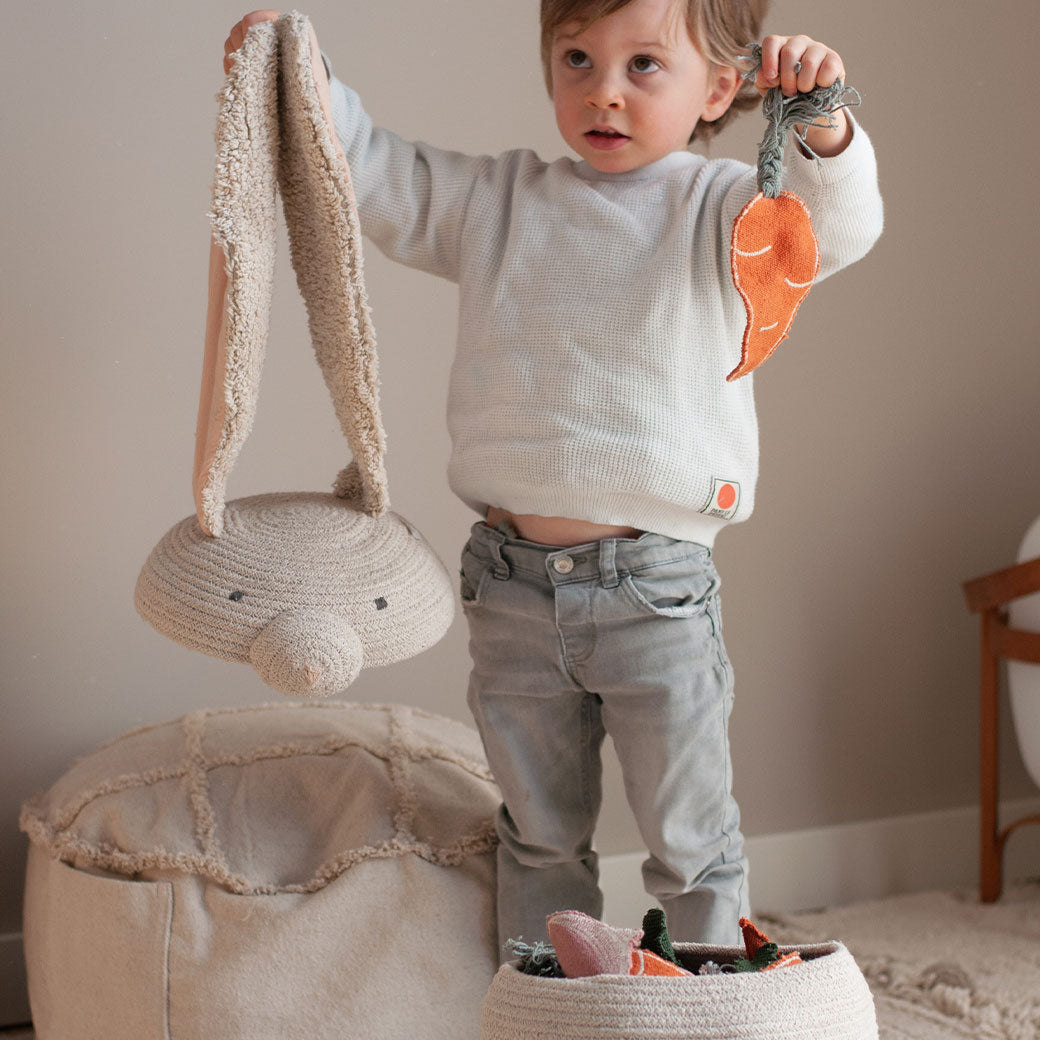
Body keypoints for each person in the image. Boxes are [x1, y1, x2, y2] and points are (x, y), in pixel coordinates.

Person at [224, 0, 882, 955]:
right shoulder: (501, 200)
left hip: (656, 590)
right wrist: (295, 67)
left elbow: (837, 225)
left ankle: (702, 1007)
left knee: (690, 841)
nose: (601, 90)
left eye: (644, 66)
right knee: (536, 837)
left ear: (723, 87)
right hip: (512, 587)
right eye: (576, 57)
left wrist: (825, 120)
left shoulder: (724, 206)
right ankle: (548, 1004)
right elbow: (376, 174)